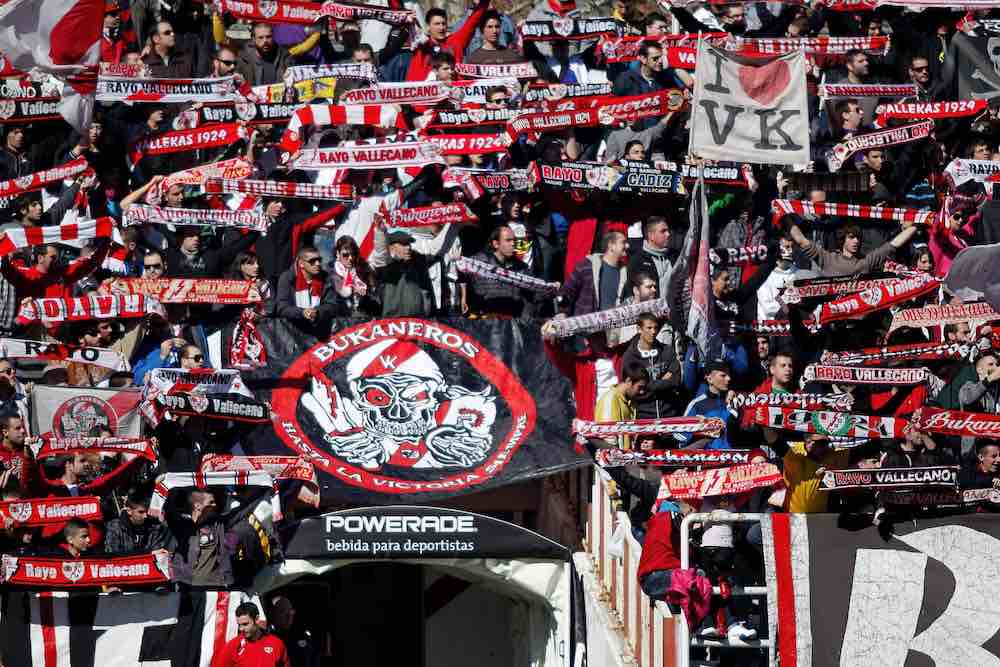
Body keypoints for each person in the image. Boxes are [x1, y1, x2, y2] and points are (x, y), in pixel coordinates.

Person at [463, 225, 536, 318]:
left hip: (512, 322)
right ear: (496, 244)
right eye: (508, 240)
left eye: (514, 240)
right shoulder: (476, 263)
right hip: (483, 322)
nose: (513, 244)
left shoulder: (522, 268)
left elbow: (530, 298)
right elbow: (460, 282)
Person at [780, 435, 850, 513]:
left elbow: (859, 452)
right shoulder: (795, 456)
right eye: (822, 443)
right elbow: (776, 443)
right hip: (793, 514)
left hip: (819, 516)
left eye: (827, 443)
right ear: (809, 442)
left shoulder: (830, 456)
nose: (825, 447)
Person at [211, 602, 290, 667]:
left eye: (245, 624)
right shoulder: (233, 646)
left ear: (256, 619)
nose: (241, 629)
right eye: (239, 625)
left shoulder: (276, 644)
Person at [594, 364, 649, 450]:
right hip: (616, 460)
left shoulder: (632, 401)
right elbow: (607, 440)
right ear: (628, 380)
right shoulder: (610, 400)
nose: (642, 392)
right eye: (640, 387)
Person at [105, 493, 173, 554]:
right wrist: (147, 553)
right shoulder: (114, 526)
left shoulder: (154, 527)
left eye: (147, 512)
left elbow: (158, 551)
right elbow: (112, 555)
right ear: (129, 511)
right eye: (141, 512)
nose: (145, 516)